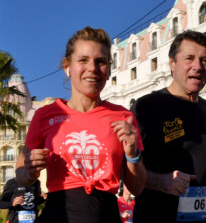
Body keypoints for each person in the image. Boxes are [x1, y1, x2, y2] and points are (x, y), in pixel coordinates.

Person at [15, 26, 146, 223]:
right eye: (83, 60)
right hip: (57, 216)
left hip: (106, 215)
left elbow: (137, 188)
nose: (92, 68)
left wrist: (132, 154)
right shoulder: (44, 115)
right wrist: (30, 171)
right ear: (67, 66)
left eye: (100, 62)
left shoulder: (124, 116)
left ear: (109, 69)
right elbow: (20, 174)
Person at [131, 30, 206, 223]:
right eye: (189, 58)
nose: (198, 66)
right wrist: (161, 182)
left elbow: (201, 171)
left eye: (204, 60)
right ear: (172, 63)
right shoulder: (147, 106)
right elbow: (124, 169)